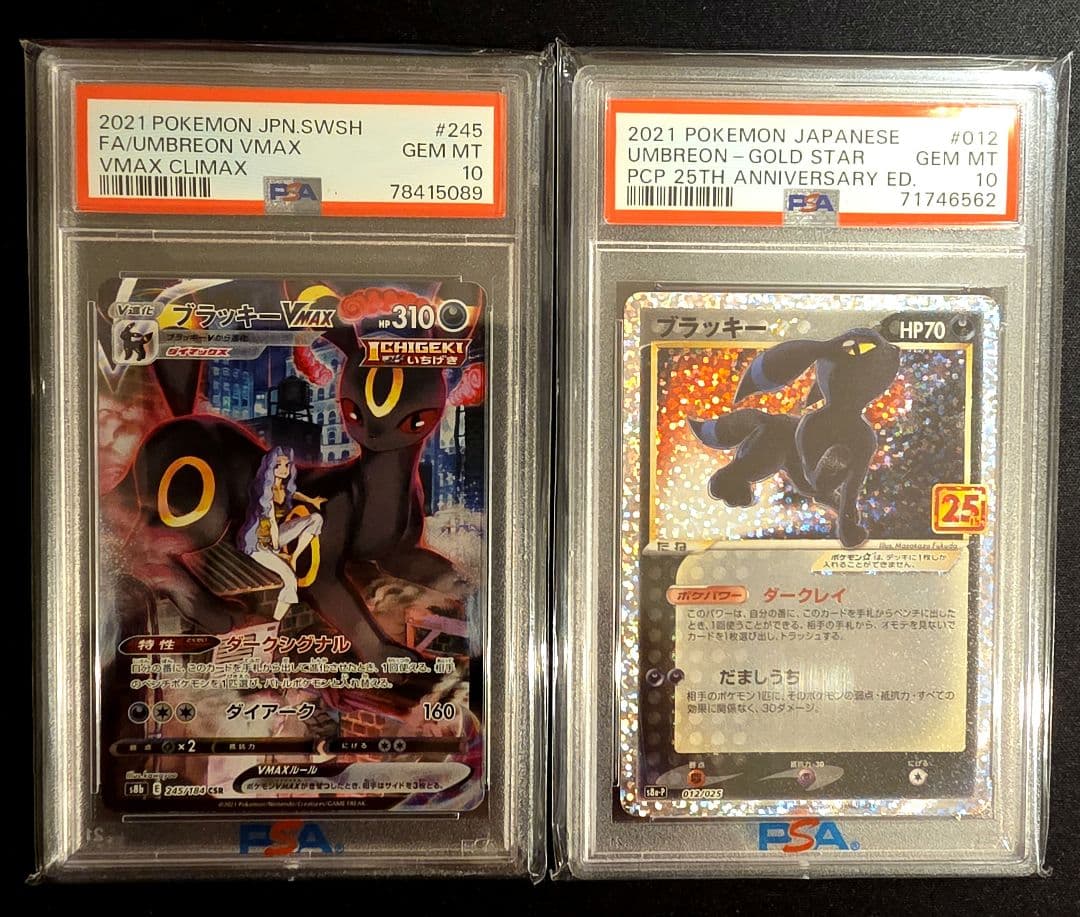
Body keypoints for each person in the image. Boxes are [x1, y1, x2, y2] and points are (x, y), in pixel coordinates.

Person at [237, 447, 326, 620]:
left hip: (275, 535)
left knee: (316, 519)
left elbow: (294, 494)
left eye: (287, 464)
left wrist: (311, 500)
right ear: (270, 466)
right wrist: (278, 553)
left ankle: (294, 556)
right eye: (278, 465)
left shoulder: (283, 488)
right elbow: (270, 523)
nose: (284, 469)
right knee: (290, 579)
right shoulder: (264, 492)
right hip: (258, 543)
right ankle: (275, 622)